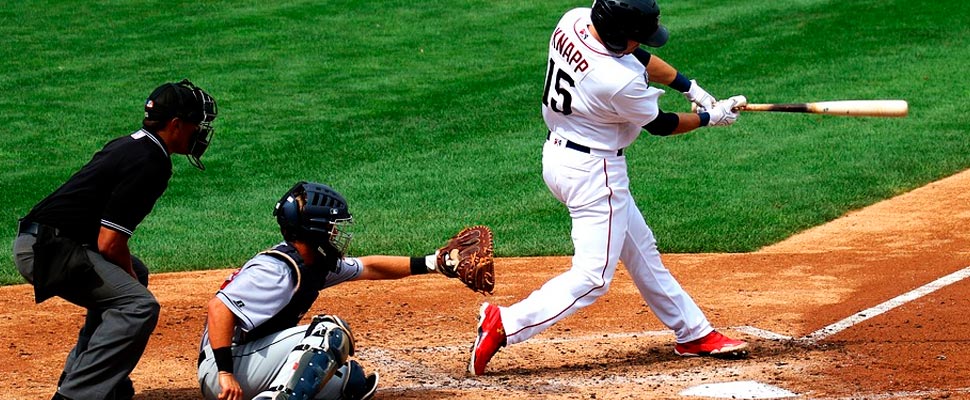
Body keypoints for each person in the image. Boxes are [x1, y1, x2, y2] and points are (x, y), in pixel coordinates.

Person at [468, 0, 749, 375]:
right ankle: (506, 323)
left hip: (559, 155)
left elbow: (640, 57)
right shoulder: (618, 82)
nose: (639, 43)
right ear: (619, 36)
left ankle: (693, 332)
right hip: (595, 172)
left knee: (640, 249)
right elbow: (661, 124)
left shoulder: (575, 20)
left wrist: (692, 88)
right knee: (593, 278)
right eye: (635, 37)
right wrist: (709, 118)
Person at [11, 79, 218, 399]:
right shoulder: (152, 162)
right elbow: (110, 242)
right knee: (138, 305)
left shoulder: (133, 144)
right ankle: (76, 394)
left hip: (47, 242)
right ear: (176, 125)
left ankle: (83, 374)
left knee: (135, 278)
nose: (199, 133)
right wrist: (129, 277)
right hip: (49, 250)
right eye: (196, 125)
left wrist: (132, 274)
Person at [198, 181, 474, 400]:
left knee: (347, 380)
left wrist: (435, 263)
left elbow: (369, 267)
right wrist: (225, 373)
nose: (336, 233)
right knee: (329, 334)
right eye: (331, 227)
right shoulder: (277, 269)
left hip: (250, 362)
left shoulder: (314, 263)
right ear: (314, 230)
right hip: (226, 369)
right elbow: (219, 308)